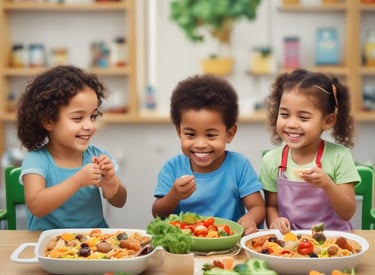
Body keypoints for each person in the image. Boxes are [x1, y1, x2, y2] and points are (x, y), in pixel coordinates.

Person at [152, 74, 265, 235]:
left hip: (229, 245)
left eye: (211, 135)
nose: (200, 144)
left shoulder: (239, 165)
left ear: (230, 133)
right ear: (179, 131)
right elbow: (158, 213)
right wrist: (174, 195)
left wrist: (251, 218)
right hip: (185, 247)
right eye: (190, 134)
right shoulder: (173, 167)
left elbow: (257, 206)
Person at [16, 65, 127, 230]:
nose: (89, 125)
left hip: (93, 244)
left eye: (93, 116)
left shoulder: (98, 156)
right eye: (77, 118)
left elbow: (120, 201)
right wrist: (77, 181)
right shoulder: (37, 160)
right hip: (48, 245)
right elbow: (36, 206)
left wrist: (111, 184)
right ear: (48, 121)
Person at [260, 68, 360, 233]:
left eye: (303, 118)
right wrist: (276, 221)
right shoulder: (272, 160)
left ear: (328, 121)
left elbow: (347, 213)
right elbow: (271, 206)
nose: (291, 124)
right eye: (284, 114)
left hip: (333, 243)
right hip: (290, 243)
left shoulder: (340, 157)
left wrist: (327, 184)